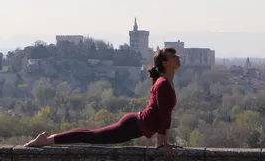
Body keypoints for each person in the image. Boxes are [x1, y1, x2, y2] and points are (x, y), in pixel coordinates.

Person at [24, 47, 181, 155]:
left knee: (91, 135)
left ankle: (49, 138)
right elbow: (163, 117)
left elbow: (165, 117)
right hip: (133, 125)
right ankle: (47, 140)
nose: (177, 57)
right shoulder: (163, 85)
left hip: (135, 124)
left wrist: (164, 143)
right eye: (173, 56)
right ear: (165, 63)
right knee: (92, 136)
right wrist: (161, 145)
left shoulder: (166, 83)